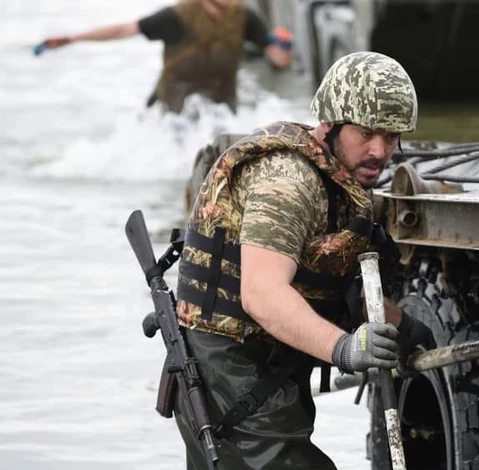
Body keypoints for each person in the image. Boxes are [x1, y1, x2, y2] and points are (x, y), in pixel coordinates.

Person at [170, 51, 435, 469]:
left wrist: (400, 327)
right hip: (229, 368)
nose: (380, 151)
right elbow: (263, 293)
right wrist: (345, 348)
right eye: (366, 133)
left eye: (392, 135)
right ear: (329, 124)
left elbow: (319, 278)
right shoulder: (288, 182)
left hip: (261, 367)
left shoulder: (334, 176)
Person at [37, 0, 293, 114]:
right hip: (176, 100)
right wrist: (73, 39)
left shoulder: (245, 16)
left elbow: (279, 60)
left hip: (221, 101)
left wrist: (284, 47)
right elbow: (125, 29)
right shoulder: (177, 15)